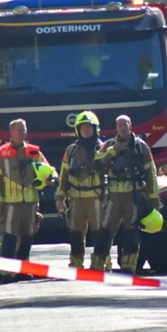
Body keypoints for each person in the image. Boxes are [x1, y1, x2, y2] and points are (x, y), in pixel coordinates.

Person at [92, 115, 160, 273]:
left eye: (125, 124)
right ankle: (97, 265)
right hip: (114, 196)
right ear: (116, 128)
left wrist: (153, 196)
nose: (123, 128)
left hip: (133, 195)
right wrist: (115, 151)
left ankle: (129, 267)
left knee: (131, 231)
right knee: (105, 229)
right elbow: (97, 163)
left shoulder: (141, 147)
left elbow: (151, 172)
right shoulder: (109, 145)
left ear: (131, 125)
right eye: (120, 125)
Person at [0, 118, 57, 278]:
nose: (22, 133)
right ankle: (7, 272)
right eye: (18, 130)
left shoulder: (34, 151)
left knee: (28, 234)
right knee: (9, 235)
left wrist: (53, 179)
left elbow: (49, 169)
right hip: (10, 202)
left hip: (31, 201)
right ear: (11, 132)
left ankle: (23, 269)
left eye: (24, 130)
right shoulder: (1, 153)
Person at [56, 111, 105, 269]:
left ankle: (101, 261)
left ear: (95, 129)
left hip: (96, 196)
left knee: (99, 232)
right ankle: (76, 262)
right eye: (83, 127)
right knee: (76, 232)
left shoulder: (102, 148)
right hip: (76, 197)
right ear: (78, 129)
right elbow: (64, 175)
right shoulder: (71, 150)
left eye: (89, 127)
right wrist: (60, 197)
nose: (86, 130)